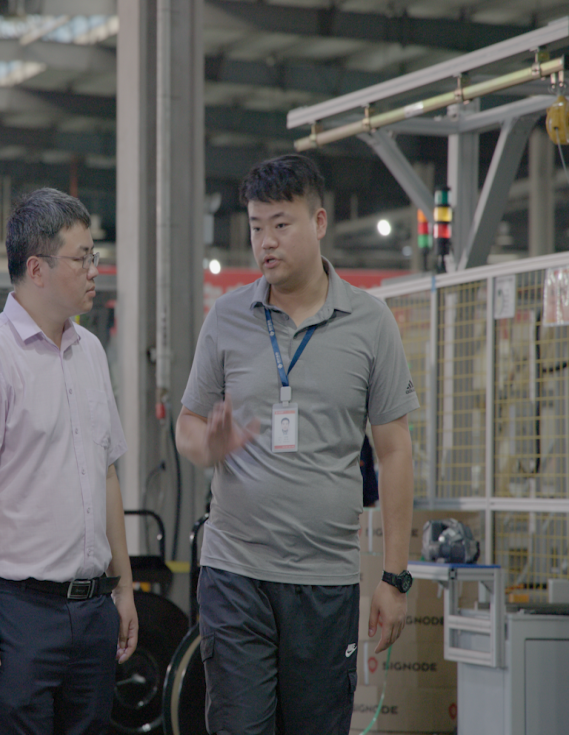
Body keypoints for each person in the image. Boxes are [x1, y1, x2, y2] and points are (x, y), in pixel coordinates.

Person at [175, 153, 418, 735]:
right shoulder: (227, 317)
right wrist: (207, 448)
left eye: (281, 224)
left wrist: (394, 578)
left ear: (319, 221)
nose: (266, 242)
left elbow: (394, 451)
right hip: (236, 572)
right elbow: (187, 424)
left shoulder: (370, 323)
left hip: (325, 580)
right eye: (256, 226)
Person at [0, 188, 138, 734]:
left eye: (94, 256)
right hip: (21, 615)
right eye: (82, 258)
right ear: (37, 269)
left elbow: (107, 473)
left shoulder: (91, 352)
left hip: (92, 610)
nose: (94, 270)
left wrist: (123, 587)